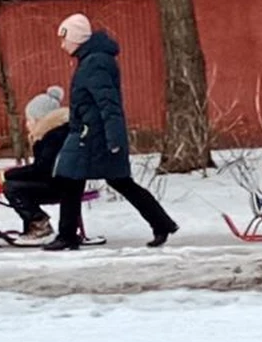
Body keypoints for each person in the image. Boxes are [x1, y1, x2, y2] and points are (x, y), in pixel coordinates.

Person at [44, 13, 179, 251]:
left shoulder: (94, 63)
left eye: (64, 38)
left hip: (93, 136)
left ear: (76, 38)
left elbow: (108, 103)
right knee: (96, 180)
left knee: (79, 179)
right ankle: (161, 223)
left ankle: (67, 235)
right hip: (89, 133)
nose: (62, 45)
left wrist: (114, 138)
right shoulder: (91, 61)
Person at [1, 86, 70, 246]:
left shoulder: (53, 137)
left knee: (12, 187)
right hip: (63, 183)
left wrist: (8, 174)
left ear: (41, 119)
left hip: (60, 186)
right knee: (16, 184)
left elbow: (41, 170)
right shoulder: (56, 133)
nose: (27, 124)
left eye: (30, 119)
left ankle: (40, 226)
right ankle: (33, 228)